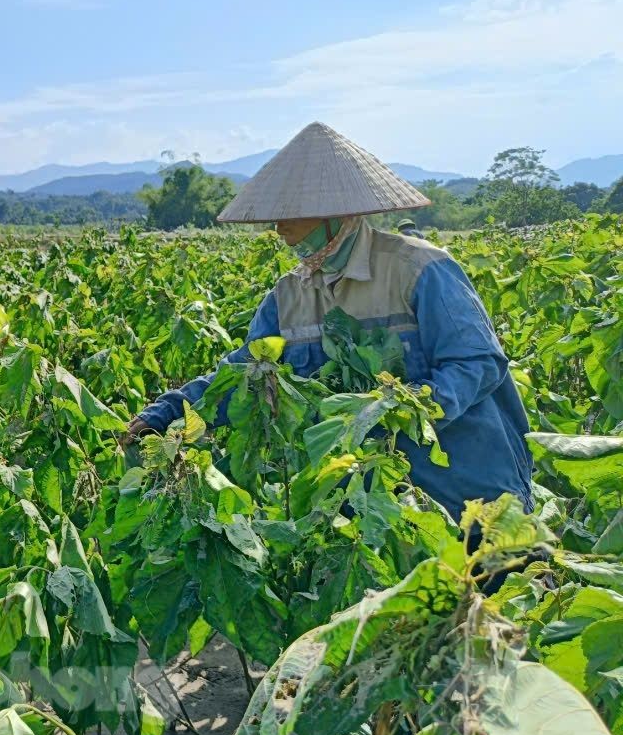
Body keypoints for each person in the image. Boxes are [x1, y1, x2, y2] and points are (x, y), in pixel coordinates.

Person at [122, 122, 533, 530]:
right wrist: (170, 411)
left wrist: (396, 409)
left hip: (466, 491)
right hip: (363, 506)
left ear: (338, 215)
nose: (280, 229)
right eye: (276, 217)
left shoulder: (419, 270)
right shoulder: (289, 296)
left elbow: (477, 365)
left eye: (291, 215)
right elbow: (244, 375)